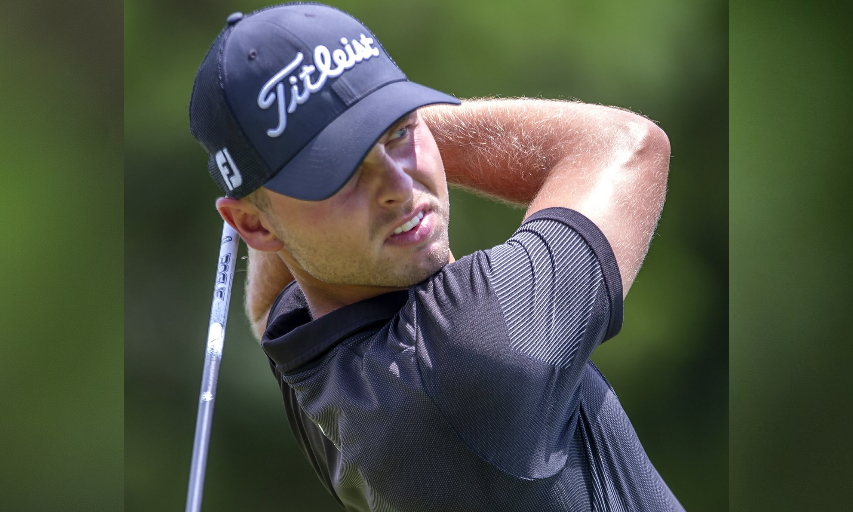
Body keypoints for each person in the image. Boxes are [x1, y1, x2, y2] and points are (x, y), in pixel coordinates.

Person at [189, 3, 681, 511]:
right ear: (253, 226)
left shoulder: (307, 349)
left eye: (401, 132)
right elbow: (628, 147)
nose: (399, 188)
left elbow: (267, 301)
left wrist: (339, 131)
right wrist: (384, 110)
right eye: (340, 171)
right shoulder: (470, 352)